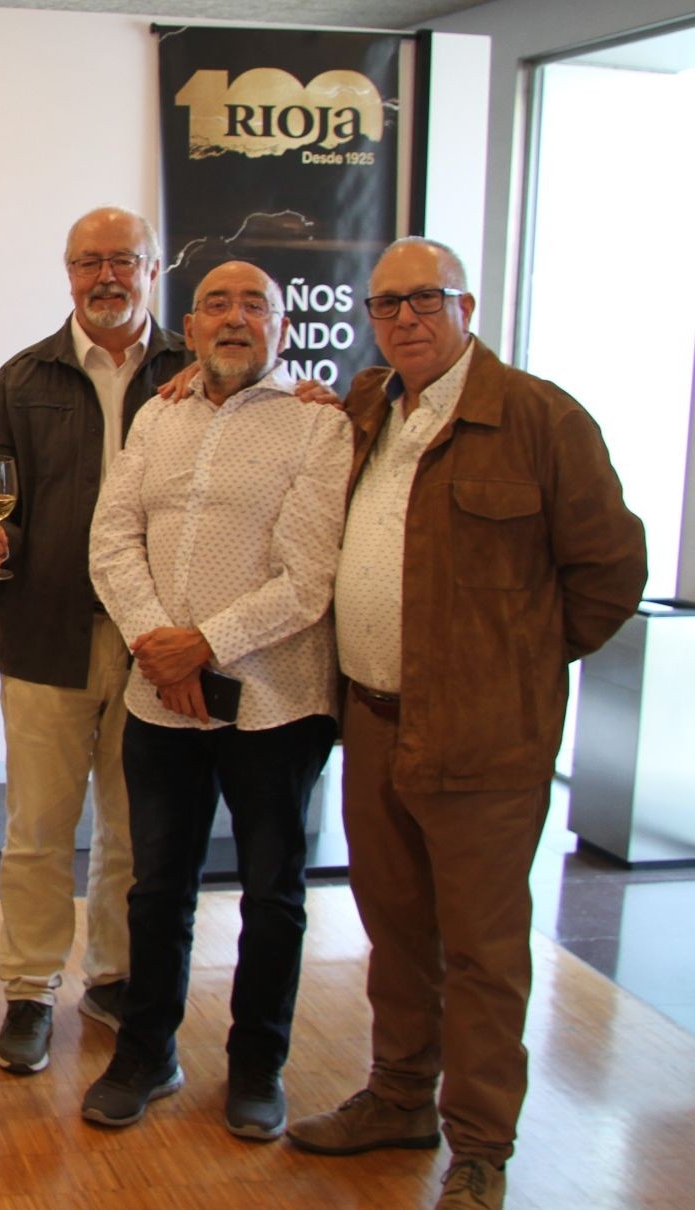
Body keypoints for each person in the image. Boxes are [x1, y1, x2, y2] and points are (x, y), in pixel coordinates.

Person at [286, 238, 645, 1210]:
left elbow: (611, 572)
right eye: (386, 303)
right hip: (372, 721)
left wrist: (512, 665)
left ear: (465, 307)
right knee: (394, 929)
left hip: (485, 737)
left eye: (425, 299)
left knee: (482, 951)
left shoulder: (539, 419)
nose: (404, 318)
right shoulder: (368, 407)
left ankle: (480, 1145)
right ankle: (400, 1097)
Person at [81, 261, 349, 1138]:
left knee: (273, 894)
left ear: (283, 327)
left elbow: (308, 577)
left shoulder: (319, 425)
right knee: (157, 888)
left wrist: (205, 643)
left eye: (255, 306)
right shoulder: (158, 416)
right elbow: (112, 538)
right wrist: (159, 644)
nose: (235, 319)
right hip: (161, 698)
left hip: (276, 700)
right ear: (189, 327)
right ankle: (145, 1053)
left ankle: (257, 1067)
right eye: (217, 306)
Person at [0, 206, 190, 1076]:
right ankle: (29, 990)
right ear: (68, 273)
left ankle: (117, 978)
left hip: (157, 641)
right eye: (89, 261)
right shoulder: (22, 378)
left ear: (153, 270)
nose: (106, 276)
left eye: (123, 260)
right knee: (39, 829)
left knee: (135, 829)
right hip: (46, 632)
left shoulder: (194, 372)